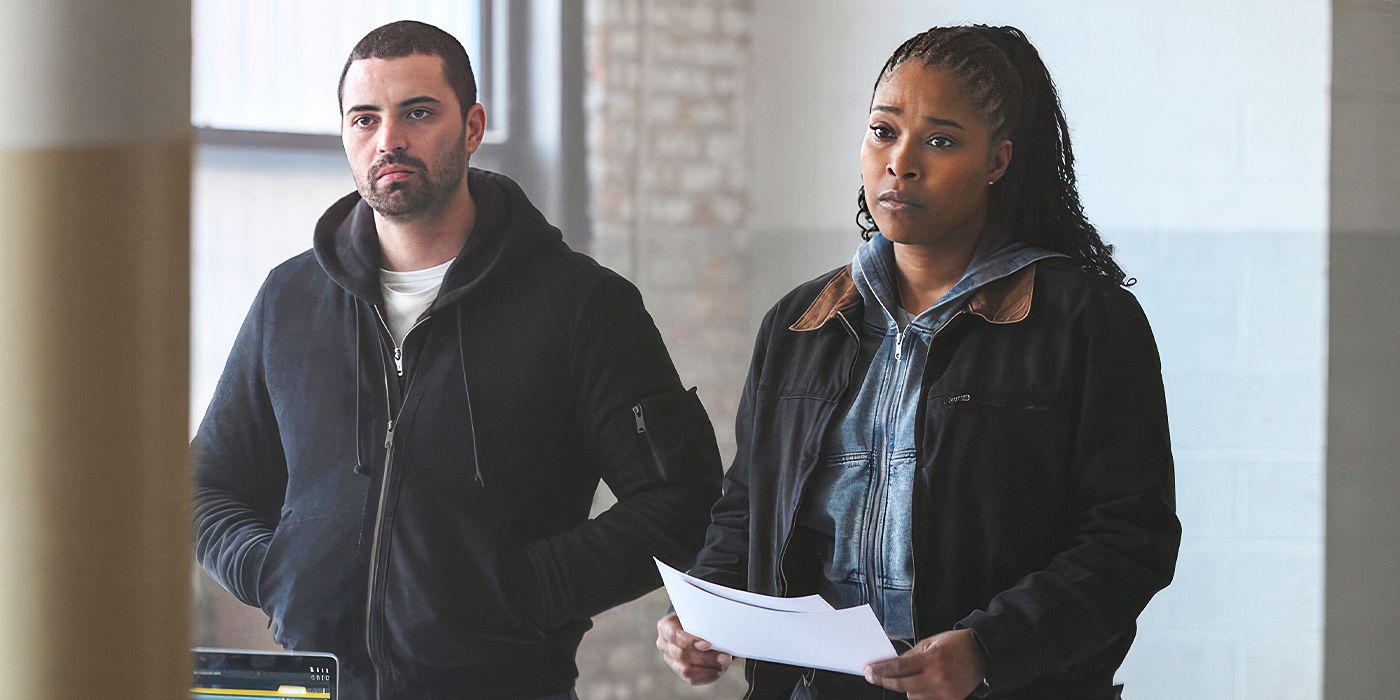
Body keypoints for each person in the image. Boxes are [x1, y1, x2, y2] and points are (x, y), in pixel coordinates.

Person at [193, 20, 723, 700]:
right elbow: (207, 484)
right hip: (319, 689)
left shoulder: (583, 305)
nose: (389, 140)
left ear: (472, 127)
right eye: (365, 118)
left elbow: (681, 500)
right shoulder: (289, 299)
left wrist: (526, 588)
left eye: (418, 112)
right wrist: (274, 571)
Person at [657, 25, 1180, 700]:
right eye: (883, 131)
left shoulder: (1083, 321)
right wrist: (710, 616)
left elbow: (1127, 537)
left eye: (940, 140)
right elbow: (751, 503)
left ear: (997, 161)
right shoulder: (801, 321)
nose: (901, 162)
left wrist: (987, 649)